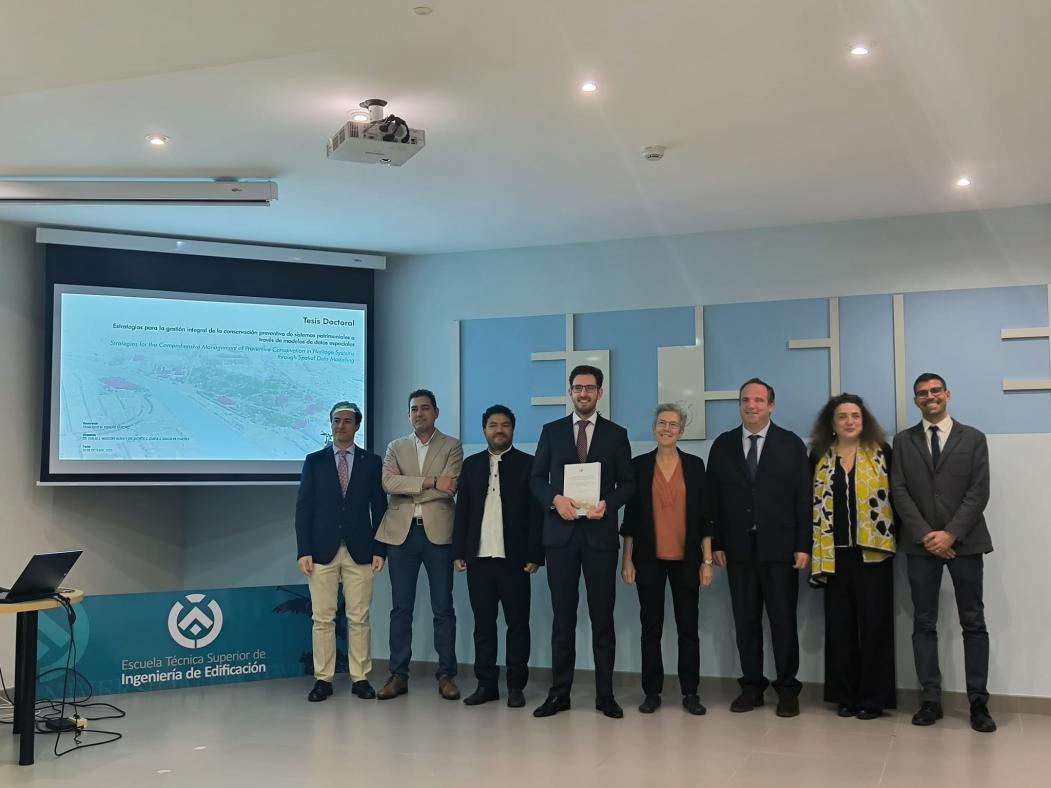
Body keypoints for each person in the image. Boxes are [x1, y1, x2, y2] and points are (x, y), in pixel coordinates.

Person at [891, 373, 996, 732]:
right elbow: (899, 491)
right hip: (920, 547)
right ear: (916, 400)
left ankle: (979, 703)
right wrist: (927, 536)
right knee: (923, 622)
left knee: (973, 622)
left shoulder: (974, 438)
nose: (930, 397)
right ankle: (930, 700)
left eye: (936, 391)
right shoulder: (903, 442)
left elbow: (979, 491)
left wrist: (950, 534)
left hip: (966, 543)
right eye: (922, 393)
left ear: (947, 394)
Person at [531, 364, 636, 719]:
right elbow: (536, 478)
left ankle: (605, 696)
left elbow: (629, 483)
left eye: (590, 388)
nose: (583, 393)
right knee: (563, 620)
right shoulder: (552, 431)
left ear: (600, 393)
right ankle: (559, 693)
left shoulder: (617, 434)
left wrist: (609, 504)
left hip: (599, 537)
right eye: (577, 388)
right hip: (560, 539)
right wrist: (554, 500)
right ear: (570, 392)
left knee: (602, 619)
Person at [706, 378, 811, 717]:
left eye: (759, 400)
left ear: (771, 405)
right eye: (745, 400)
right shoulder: (722, 446)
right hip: (737, 550)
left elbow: (803, 499)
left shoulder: (791, 444)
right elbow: (714, 501)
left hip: (780, 549)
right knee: (745, 622)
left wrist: (802, 545)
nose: (751, 405)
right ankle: (751, 687)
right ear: (739, 405)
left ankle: (787, 689)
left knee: (782, 621)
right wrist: (717, 542)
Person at [620, 403, 713, 716]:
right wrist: (627, 560)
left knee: (688, 629)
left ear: (682, 431)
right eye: (662, 423)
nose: (667, 429)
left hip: (687, 560)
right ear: (654, 427)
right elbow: (630, 520)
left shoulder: (696, 466)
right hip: (648, 560)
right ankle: (652, 692)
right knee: (651, 628)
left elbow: (704, 517)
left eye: (673, 424)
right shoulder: (639, 466)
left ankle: (690, 692)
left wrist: (707, 560)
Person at [809, 393, 896, 719]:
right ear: (831, 424)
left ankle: (873, 699)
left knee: (875, 629)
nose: (849, 421)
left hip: (874, 556)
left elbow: (897, 499)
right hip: (834, 557)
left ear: (864, 420)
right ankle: (844, 695)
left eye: (855, 416)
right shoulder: (818, 456)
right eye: (842, 416)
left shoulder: (882, 453)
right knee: (839, 629)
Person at [295, 401, 387, 702]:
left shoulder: (371, 462)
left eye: (348, 421)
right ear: (331, 424)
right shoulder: (315, 461)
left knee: (359, 617)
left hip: (361, 550)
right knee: (322, 618)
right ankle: (323, 679)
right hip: (321, 550)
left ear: (357, 425)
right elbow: (303, 508)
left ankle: (361, 677)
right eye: (336, 420)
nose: (341, 426)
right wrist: (303, 550)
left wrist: (379, 549)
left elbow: (380, 508)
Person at [452, 404, 543, 708]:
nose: (499, 430)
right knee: (483, 626)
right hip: (478, 559)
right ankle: (486, 684)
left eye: (505, 425)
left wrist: (535, 554)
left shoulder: (528, 464)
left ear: (513, 430)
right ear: (484, 430)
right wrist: (459, 551)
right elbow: (462, 510)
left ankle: (516, 686)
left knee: (518, 625)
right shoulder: (472, 464)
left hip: (515, 560)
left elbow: (536, 514)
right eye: (493, 425)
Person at [375, 389, 463, 701]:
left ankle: (447, 675)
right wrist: (430, 482)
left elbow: (449, 487)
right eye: (413, 409)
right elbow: (387, 483)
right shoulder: (395, 446)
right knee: (401, 609)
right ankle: (398, 675)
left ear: (436, 412)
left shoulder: (451, 445)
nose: (418, 414)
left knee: (443, 608)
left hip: (438, 534)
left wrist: (409, 484)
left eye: (425, 408)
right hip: (401, 535)